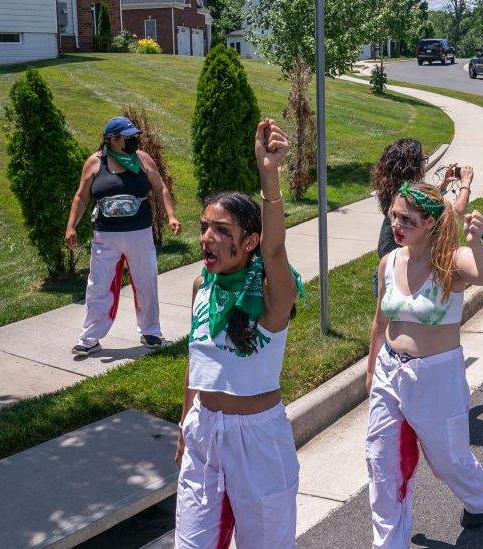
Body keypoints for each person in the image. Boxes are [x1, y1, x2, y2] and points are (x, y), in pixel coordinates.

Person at [175, 119, 303, 547]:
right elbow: (197, 364)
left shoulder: (272, 296)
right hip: (203, 434)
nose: (206, 239)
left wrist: (270, 176)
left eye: (222, 231)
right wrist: (185, 424)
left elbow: (276, 249)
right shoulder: (200, 286)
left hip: (258, 441)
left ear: (248, 242)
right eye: (204, 228)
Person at [366, 182, 483, 547]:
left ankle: (478, 493)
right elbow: (381, 321)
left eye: (407, 219)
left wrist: (476, 241)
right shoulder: (388, 261)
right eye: (394, 215)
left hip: (436, 376)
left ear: (429, 222)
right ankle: (389, 542)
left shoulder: (450, 262)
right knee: (381, 460)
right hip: (389, 371)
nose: (397, 224)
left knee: (448, 459)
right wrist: (371, 369)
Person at [65, 116, 181, 356]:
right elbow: (81, 196)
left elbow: (160, 188)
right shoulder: (95, 163)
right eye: (127, 137)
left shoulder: (142, 159)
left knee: (145, 282)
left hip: (139, 232)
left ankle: (151, 332)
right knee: (99, 285)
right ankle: (89, 338)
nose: (133, 141)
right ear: (112, 139)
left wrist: (171, 216)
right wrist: (71, 226)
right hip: (105, 236)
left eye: (133, 136)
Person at [371, 139, 473, 296]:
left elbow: (422, 201)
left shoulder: (397, 192)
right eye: (424, 160)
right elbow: (456, 211)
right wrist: (466, 182)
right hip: (404, 270)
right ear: (414, 165)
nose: (425, 163)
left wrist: (443, 185)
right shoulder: (410, 195)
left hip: (387, 267)